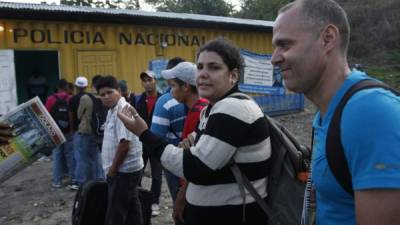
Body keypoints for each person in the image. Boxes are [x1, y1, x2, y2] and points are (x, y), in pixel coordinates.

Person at [271, 1, 400, 225]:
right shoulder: (328, 111)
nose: (274, 58)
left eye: (285, 44)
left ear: (328, 38)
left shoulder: (369, 113)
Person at [118, 38, 271, 225]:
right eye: (200, 67)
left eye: (214, 67)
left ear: (233, 75)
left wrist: (143, 132)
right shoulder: (212, 108)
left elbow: (195, 167)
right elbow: (198, 158)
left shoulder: (234, 108)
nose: (203, 74)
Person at [161, 61, 209, 224]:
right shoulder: (201, 107)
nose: (170, 90)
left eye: (173, 85)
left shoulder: (198, 113)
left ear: (186, 86)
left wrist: (181, 196)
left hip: (193, 190)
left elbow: (196, 161)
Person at [96, 75, 143, 225]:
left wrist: (112, 170)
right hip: (124, 170)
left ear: (119, 91)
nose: (106, 97)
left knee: (115, 214)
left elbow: (124, 145)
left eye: (110, 92)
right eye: (102, 95)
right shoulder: (112, 110)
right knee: (131, 209)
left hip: (123, 171)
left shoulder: (123, 110)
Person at [150, 57, 187, 209]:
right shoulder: (205, 99)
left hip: (174, 160)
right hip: (200, 159)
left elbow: (155, 137)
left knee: (179, 202)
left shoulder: (164, 102)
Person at [136, 70, 162, 216]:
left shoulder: (162, 99)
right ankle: (139, 199)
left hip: (157, 143)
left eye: (149, 80)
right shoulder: (138, 100)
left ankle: (154, 202)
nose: (147, 83)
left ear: (155, 81)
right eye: (144, 80)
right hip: (141, 143)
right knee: (138, 173)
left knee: (157, 176)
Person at [68, 76, 98, 189]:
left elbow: (77, 115)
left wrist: (72, 129)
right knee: (93, 157)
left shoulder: (76, 99)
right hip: (94, 130)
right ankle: (95, 180)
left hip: (81, 130)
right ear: (86, 86)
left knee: (80, 157)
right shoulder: (94, 97)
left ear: (76, 86)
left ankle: (79, 181)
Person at [45, 79, 75, 188]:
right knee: (70, 154)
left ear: (57, 87)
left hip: (55, 131)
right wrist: (72, 129)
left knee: (57, 154)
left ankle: (57, 180)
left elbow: (46, 116)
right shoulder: (70, 98)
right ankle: (73, 179)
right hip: (68, 130)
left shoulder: (50, 99)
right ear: (66, 87)